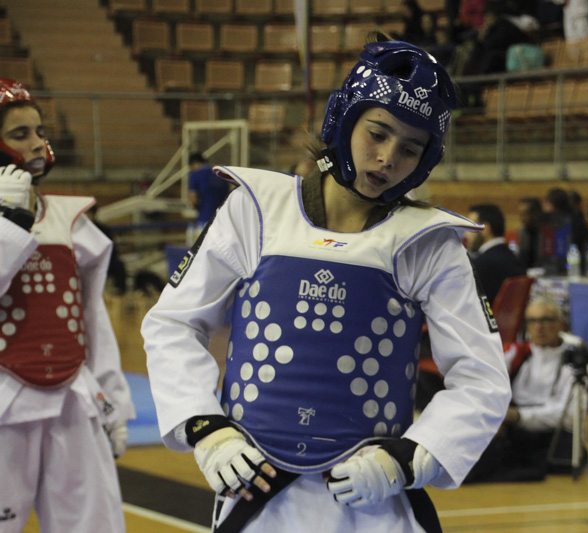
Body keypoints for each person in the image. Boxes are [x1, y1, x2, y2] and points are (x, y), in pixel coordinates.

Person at [142, 36, 511, 533]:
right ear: (343, 119)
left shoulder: (429, 242)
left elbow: (483, 377)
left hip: (375, 499)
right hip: (256, 490)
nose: (386, 159)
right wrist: (206, 428)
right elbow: (172, 324)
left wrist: (411, 458)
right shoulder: (255, 209)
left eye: (409, 148)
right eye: (377, 134)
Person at [0, 78, 134, 532]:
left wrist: (114, 403)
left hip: (72, 399)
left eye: (39, 131)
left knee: (94, 525)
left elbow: (90, 319)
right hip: (4, 405)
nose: (37, 144)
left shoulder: (68, 220)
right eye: (20, 134)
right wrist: (9, 225)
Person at [465, 297, 588, 483]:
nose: (539, 327)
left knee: (572, 454)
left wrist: (518, 416)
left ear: (561, 325)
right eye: (532, 321)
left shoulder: (576, 361)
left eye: (546, 320)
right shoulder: (515, 353)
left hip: (551, 432)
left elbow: (571, 416)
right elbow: (483, 388)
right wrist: (495, 417)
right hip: (513, 430)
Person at [465, 203, 526, 304]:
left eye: (470, 227)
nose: (466, 234)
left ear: (485, 228)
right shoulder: (516, 260)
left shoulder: (480, 265)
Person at [187, 152, 230, 243]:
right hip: (221, 222)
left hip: (204, 220)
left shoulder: (195, 175)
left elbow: (193, 198)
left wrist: (194, 207)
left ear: (195, 163)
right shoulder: (221, 175)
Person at [514, 196, 542, 270]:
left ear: (535, 214)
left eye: (524, 214)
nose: (521, 218)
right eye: (520, 214)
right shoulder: (522, 233)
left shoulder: (547, 234)